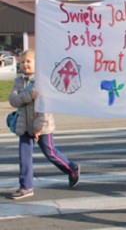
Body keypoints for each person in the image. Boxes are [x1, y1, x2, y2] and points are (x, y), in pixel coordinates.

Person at [9, 50, 80, 200]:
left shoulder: (42, 82)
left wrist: (37, 129)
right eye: (22, 62)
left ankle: (71, 168)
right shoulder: (19, 81)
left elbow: (45, 109)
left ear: (37, 63)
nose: (25, 65)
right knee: (24, 157)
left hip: (42, 126)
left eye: (28, 61)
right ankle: (26, 186)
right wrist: (28, 96)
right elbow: (13, 100)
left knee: (51, 153)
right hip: (24, 125)